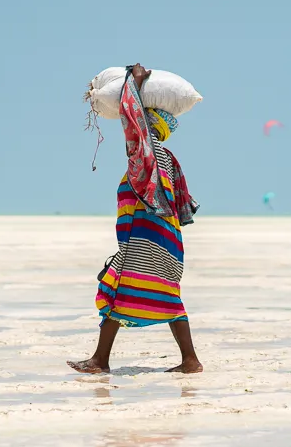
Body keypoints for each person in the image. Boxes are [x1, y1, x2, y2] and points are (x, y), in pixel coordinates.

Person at [69, 63, 203, 374]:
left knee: (118, 292)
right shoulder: (168, 159)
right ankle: (190, 361)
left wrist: (135, 83)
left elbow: (135, 125)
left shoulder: (148, 153)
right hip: (166, 242)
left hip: (145, 240)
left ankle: (100, 361)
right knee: (165, 296)